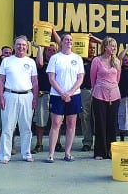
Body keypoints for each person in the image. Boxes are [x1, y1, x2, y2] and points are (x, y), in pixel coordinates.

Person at [0, 35, 38, 164]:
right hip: (9, 95)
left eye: (24, 45)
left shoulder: (31, 62)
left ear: (27, 47)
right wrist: (1, 97)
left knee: (26, 127)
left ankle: (26, 153)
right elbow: (0, 80)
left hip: (27, 96)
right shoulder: (7, 61)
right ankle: (4, 155)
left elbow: (35, 82)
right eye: (19, 44)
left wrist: (35, 98)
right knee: (8, 127)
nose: (21, 47)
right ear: (14, 46)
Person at [46, 32, 84, 163]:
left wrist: (70, 92)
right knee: (56, 123)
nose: (68, 41)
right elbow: (51, 78)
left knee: (71, 124)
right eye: (66, 39)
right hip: (57, 95)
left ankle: (67, 153)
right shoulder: (55, 58)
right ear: (61, 42)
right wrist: (62, 93)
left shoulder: (78, 58)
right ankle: (51, 154)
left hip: (74, 95)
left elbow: (80, 78)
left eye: (70, 40)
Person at [90, 36, 121, 160]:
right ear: (105, 47)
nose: (113, 48)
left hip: (114, 95)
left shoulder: (117, 61)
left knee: (112, 124)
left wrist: (111, 88)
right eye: (111, 45)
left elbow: (117, 78)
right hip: (99, 95)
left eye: (115, 46)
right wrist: (97, 90)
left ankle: (111, 151)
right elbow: (92, 79)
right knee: (100, 124)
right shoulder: (96, 60)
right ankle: (100, 152)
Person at [30, 43, 65, 154]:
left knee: (58, 122)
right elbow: (39, 63)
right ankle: (39, 144)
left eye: (53, 50)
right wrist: (40, 48)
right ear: (45, 52)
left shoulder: (58, 62)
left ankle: (57, 143)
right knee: (40, 121)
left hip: (57, 95)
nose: (51, 52)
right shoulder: (41, 62)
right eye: (49, 50)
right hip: (43, 94)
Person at [79, 35, 101, 151]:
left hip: (97, 90)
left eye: (93, 48)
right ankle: (87, 142)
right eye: (89, 47)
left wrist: (95, 39)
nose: (91, 50)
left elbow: (108, 46)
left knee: (98, 116)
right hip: (84, 91)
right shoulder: (79, 59)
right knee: (84, 117)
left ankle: (99, 141)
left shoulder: (98, 59)